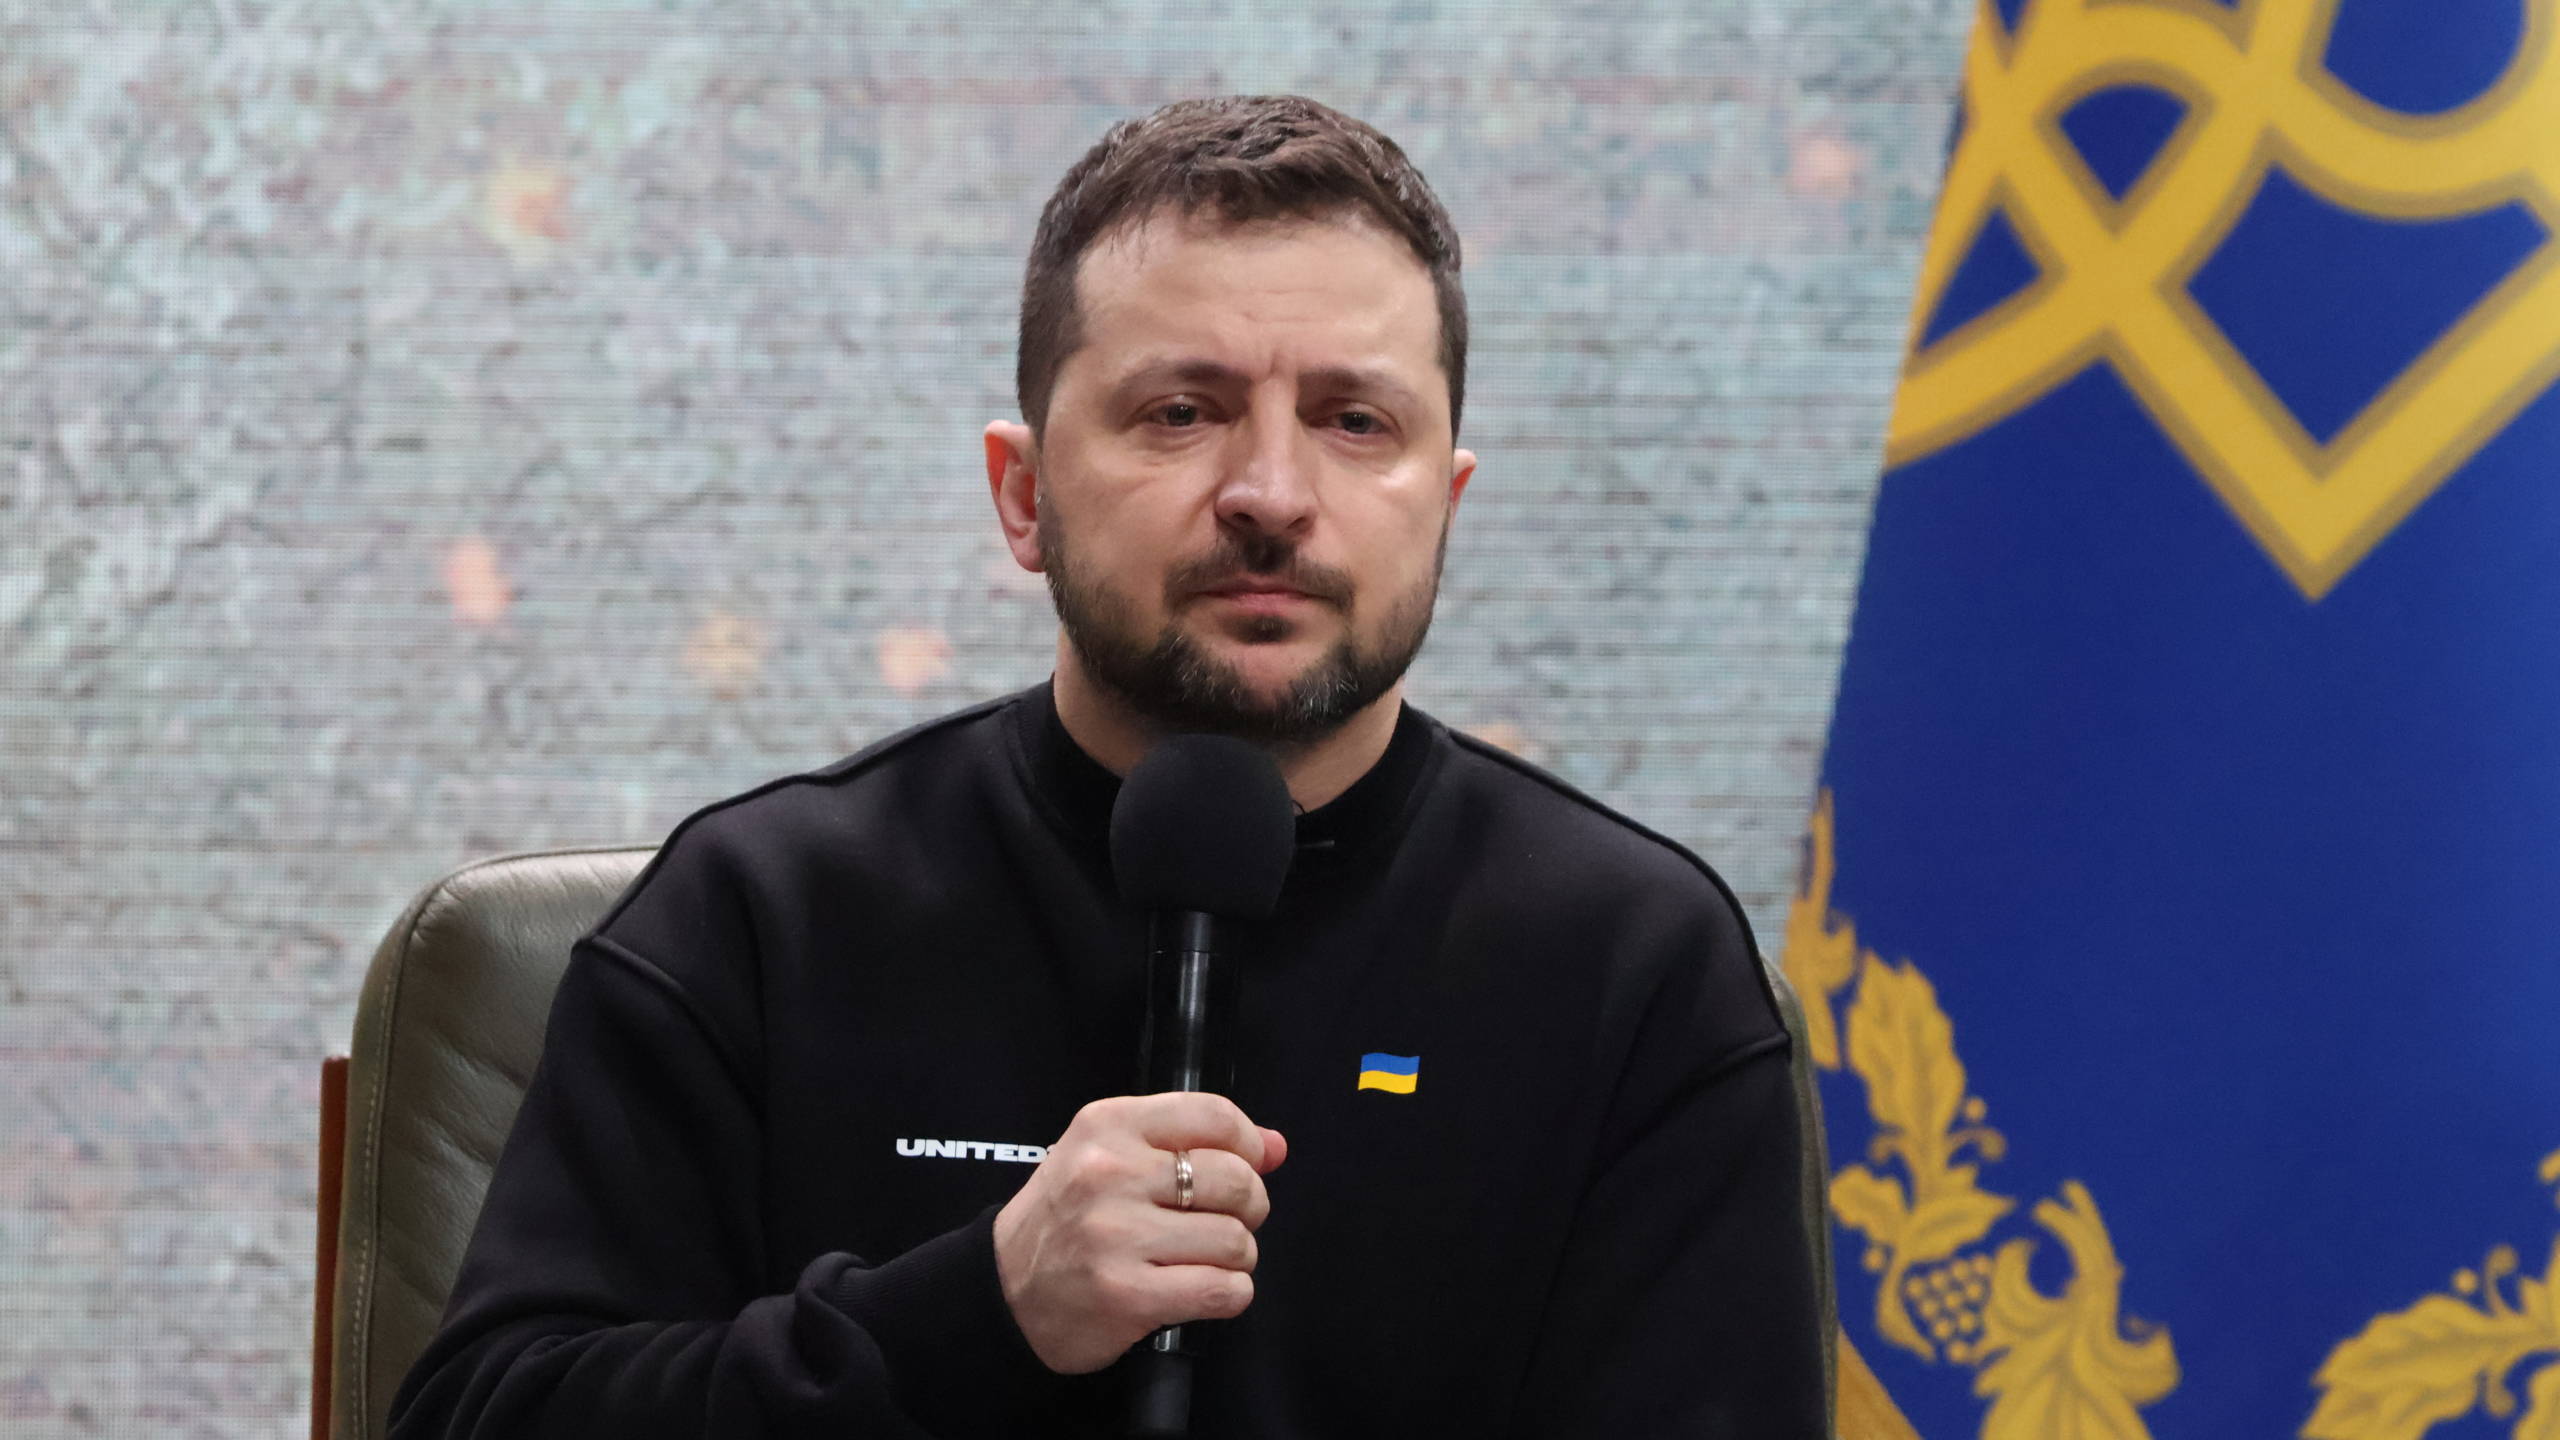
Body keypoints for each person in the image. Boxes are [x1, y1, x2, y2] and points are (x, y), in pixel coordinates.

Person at [388, 94, 1826, 1438]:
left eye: (1354, 422)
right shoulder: (766, 915)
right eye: (1180, 411)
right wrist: (970, 1313)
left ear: (1443, 503)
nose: (1270, 494)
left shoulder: (1633, 969)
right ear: (1023, 496)